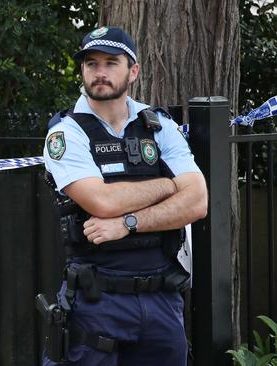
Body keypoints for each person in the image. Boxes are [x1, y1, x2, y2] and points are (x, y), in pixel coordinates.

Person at [41, 26, 208, 366]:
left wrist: (128, 223)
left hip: (162, 298)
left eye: (110, 62)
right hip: (96, 300)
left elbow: (198, 201)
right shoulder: (65, 133)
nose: (100, 72)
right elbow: (102, 202)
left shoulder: (159, 125)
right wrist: (167, 184)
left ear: (133, 71)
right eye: (91, 63)